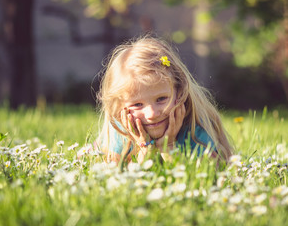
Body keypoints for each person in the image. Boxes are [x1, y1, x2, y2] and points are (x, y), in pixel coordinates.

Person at [95, 35, 233, 164]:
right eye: (137, 104)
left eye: (161, 99)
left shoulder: (194, 127)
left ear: (179, 91)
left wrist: (169, 147)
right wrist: (145, 149)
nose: (152, 114)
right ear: (120, 106)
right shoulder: (121, 131)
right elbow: (117, 178)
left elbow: (210, 174)